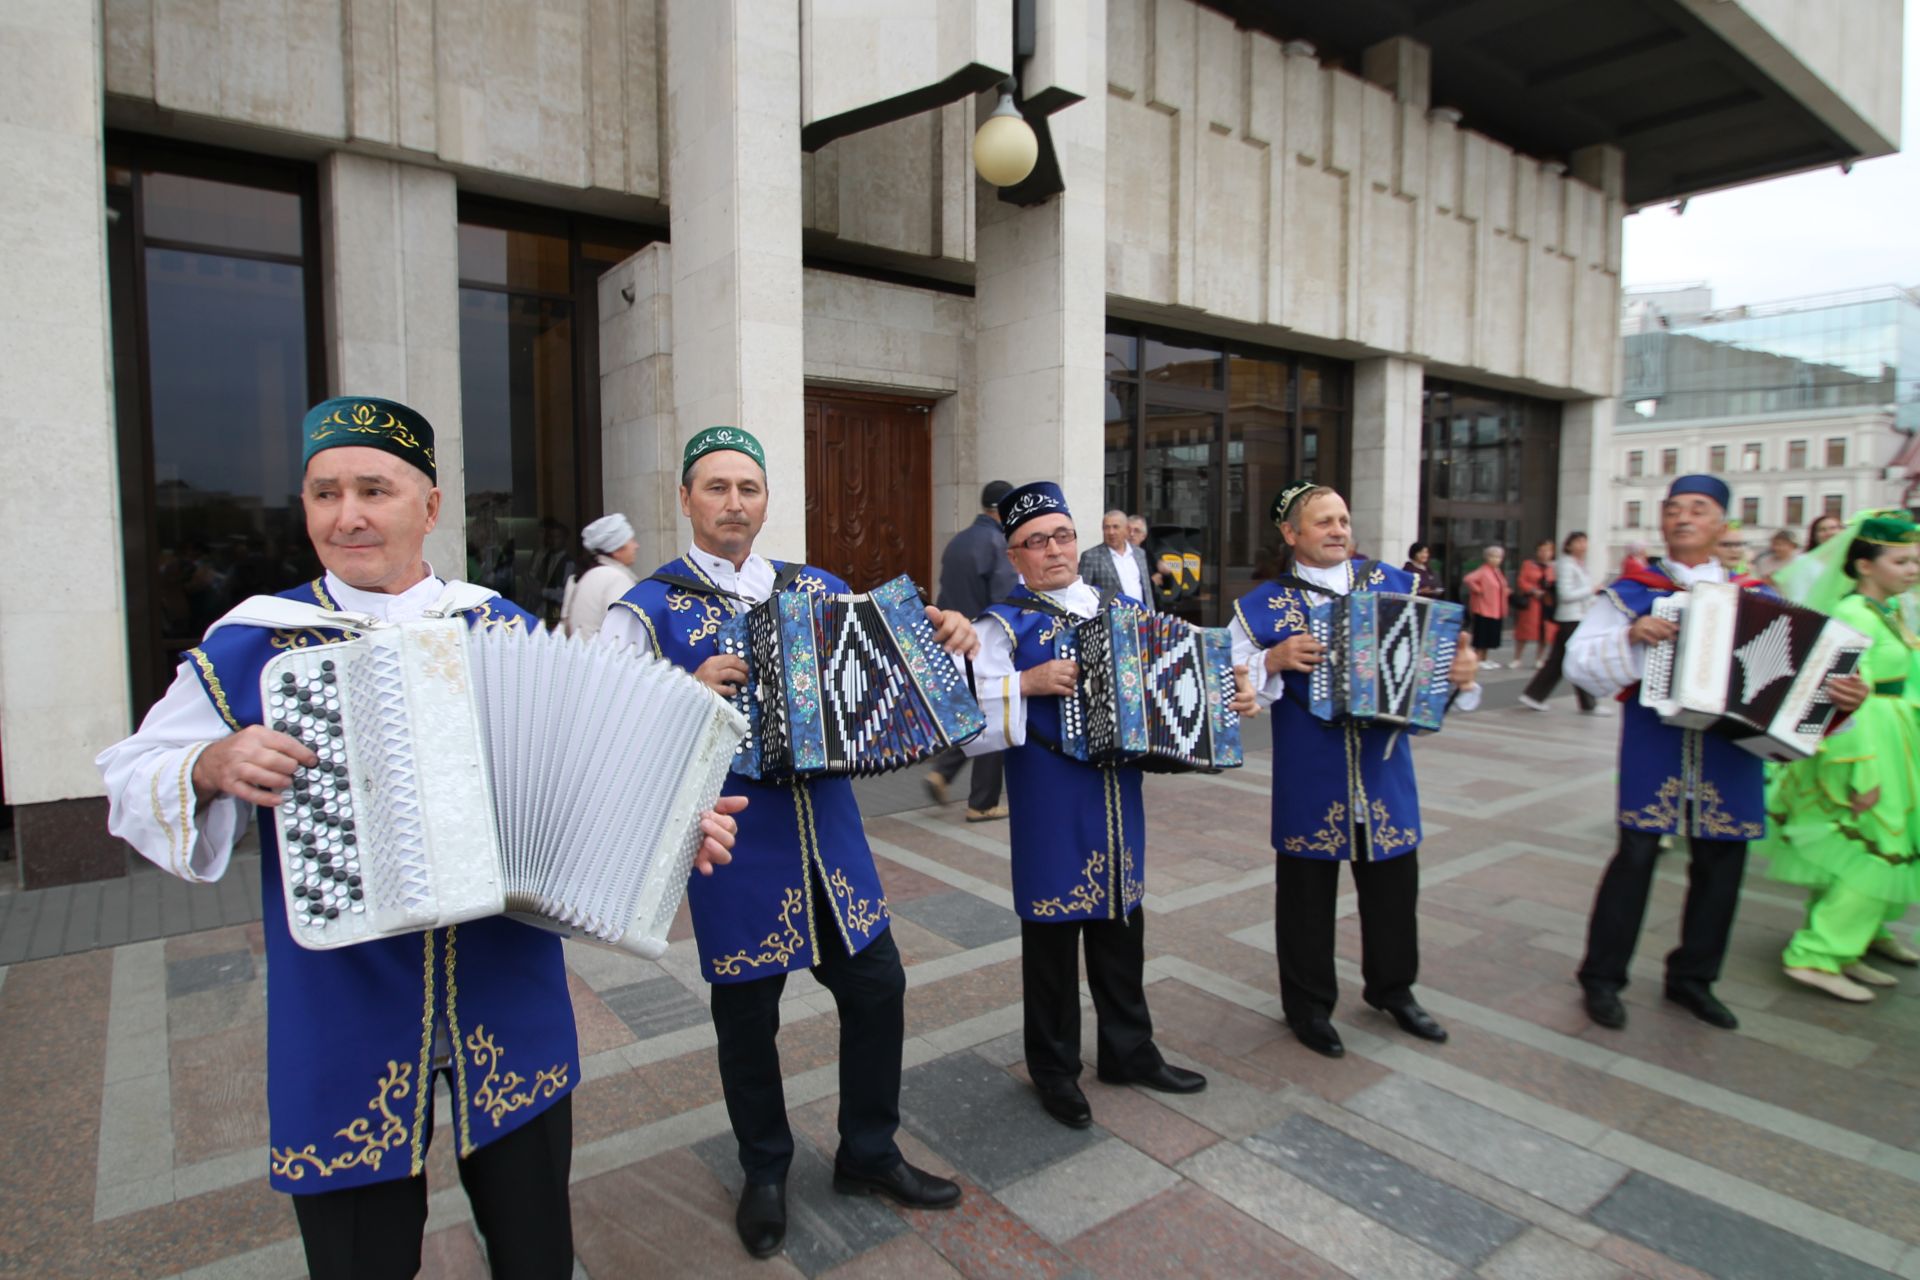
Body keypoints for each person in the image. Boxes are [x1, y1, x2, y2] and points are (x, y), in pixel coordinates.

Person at [95, 396, 743, 1280]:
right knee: (362, 1260)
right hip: (344, 1002)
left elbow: (587, 782)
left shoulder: (499, 628)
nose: (348, 514)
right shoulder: (255, 642)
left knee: (535, 1251)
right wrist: (209, 761)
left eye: (374, 489)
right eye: (326, 493)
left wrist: (674, 826)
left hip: (505, 999)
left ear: (429, 508)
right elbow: (133, 775)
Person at [601, 427, 968, 1259]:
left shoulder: (819, 586)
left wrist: (940, 639)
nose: (735, 502)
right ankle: (764, 1170)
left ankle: (868, 1152)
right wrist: (679, 692)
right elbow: (606, 735)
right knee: (746, 1017)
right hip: (735, 846)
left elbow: (883, 672)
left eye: (750, 488)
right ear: (685, 498)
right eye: (717, 487)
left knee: (878, 989)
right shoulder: (647, 609)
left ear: (768, 501)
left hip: (832, 838)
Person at [964, 482, 1252, 1126]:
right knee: (1053, 936)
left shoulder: (1115, 609)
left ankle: (1128, 1049)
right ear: (1015, 556)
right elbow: (967, 725)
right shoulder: (1000, 625)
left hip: (1120, 798)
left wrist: (1226, 696)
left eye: (1062, 535)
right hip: (1049, 804)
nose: (1053, 550)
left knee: (1123, 922)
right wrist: (1025, 684)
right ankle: (1054, 1069)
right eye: (1035, 542)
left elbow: (1172, 674)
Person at [1565, 474, 1866, 1032]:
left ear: (1722, 523)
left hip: (1732, 750)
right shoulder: (1633, 591)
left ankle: (1693, 980)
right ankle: (1602, 979)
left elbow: (1805, 685)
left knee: (1722, 863)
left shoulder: (1763, 597)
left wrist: (1844, 697)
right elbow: (1579, 662)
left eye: (1697, 509)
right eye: (1673, 508)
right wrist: (1631, 638)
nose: (1682, 517)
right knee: (1635, 856)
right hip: (1656, 742)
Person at [1230, 483, 1481, 1059]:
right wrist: (1270, 659)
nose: (1338, 530)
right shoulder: (1263, 605)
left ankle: (1394, 990)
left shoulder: (1396, 584)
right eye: (1323, 522)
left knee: (1394, 886)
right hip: (1310, 776)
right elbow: (1230, 679)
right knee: (1305, 897)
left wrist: (1459, 674)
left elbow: (1430, 668)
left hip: (1384, 770)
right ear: (1291, 535)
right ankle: (1309, 1006)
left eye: (1343, 518)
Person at [1756, 512, 1918, 1001]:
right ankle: (1818, 953)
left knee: (1868, 847)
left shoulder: (1887, 610)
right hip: (1867, 744)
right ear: (1865, 565)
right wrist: (1858, 769)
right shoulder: (1853, 615)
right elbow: (1839, 701)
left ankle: (1856, 942)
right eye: (1901, 560)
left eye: (1916, 560)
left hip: (1896, 737)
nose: (1913, 569)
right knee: (1875, 850)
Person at [925, 481, 1017, 820]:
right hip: (983, 643)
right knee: (991, 716)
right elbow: (1004, 603)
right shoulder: (998, 543)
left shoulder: (958, 541)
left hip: (952, 640)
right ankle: (983, 802)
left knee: (974, 714)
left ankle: (943, 771)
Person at [1519, 532, 1605, 715]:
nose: (1583, 545)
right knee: (1579, 660)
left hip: (1577, 617)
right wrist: (1591, 590)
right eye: (1578, 542)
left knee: (1559, 660)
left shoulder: (1578, 565)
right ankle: (1588, 703)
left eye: (1585, 541)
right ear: (1568, 545)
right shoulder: (1566, 565)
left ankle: (1534, 695)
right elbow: (1566, 594)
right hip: (1570, 618)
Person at [558, 512, 639, 640]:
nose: (636, 546)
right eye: (631, 541)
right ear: (616, 550)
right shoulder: (615, 578)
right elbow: (623, 633)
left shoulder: (589, 575)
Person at [1079, 508, 1157, 613]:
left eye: (1116, 527)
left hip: (1141, 618)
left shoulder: (1139, 554)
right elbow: (1084, 594)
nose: (1111, 532)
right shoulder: (1091, 557)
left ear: (1127, 530)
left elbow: (1147, 591)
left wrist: (1151, 615)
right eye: (1107, 528)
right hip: (1111, 621)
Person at [1463, 546, 1511, 669]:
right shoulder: (1483, 570)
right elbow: (1468, 579)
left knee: (1490, 635)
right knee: (1482, 635)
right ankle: (1477, 658)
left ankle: (1485, 658)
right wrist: (1479, 590)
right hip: (1484, 608)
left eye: (1499, 557)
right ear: (1487, 558)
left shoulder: (1497, 572)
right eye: (1493, 556)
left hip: (1496, 608)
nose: (1496, 559)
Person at [1512, 539, 1556, 668]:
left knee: (1545, 631)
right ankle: (1517, 658)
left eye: (1548, 550)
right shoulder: (1528, 564)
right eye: (1542, 550)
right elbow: (1522, 580)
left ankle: (1539, 658)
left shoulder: (1553, 568)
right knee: (1524, 629)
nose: (1544, 553)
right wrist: (1532, 590)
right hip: (1532, 601)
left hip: (1546, 601)